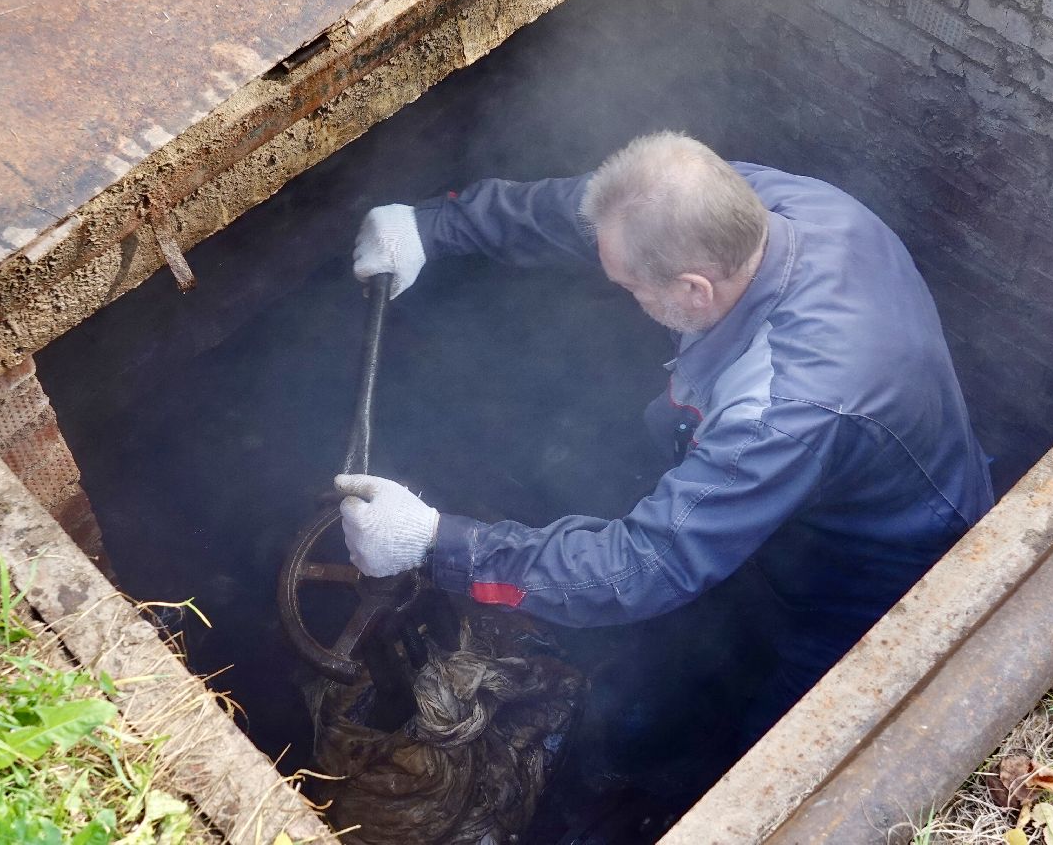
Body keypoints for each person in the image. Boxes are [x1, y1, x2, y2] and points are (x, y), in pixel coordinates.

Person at [336, 132, 994, 732]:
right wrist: (438, 225)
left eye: (628, 287)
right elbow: (601, 217)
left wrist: (436, 542)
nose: (619, 290)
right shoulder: (768, 208)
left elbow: (643, 568)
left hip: (874, 570)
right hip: (831, 484)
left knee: (788, 720)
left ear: (693, 291)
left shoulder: (784, 411)